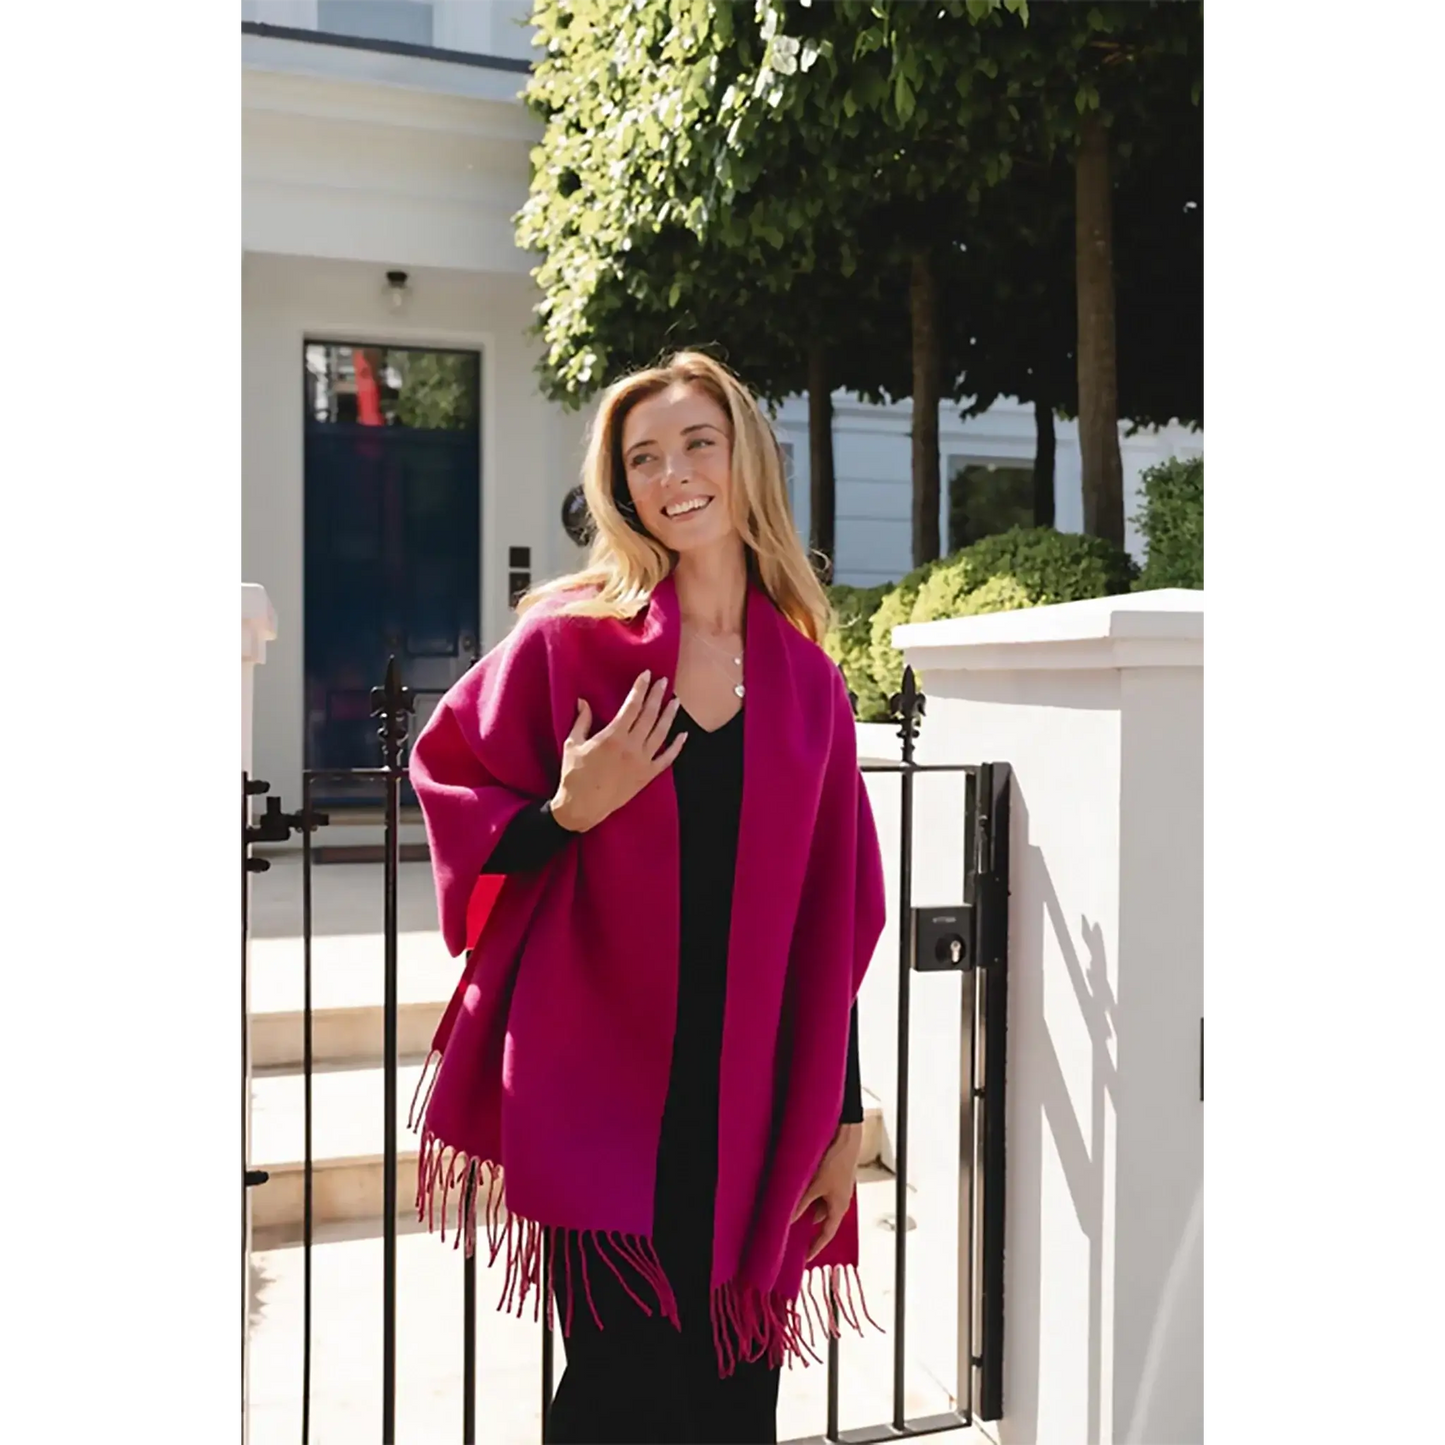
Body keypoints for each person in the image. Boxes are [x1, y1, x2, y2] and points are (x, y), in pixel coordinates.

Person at [408, 350, 887, 1445]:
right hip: (602, 1086)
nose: (673, 473)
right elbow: (450, 782)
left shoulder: (807, 683)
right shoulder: (572, 641)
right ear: (621, 486)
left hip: (756, 1098)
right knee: (618, 1398)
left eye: (696, 443)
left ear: (743, 458)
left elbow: (832, 919)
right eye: (642, 457)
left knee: (735, 1393)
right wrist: (568, 809)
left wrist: (841, 1115)